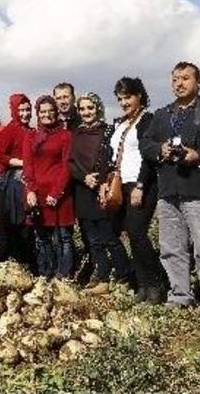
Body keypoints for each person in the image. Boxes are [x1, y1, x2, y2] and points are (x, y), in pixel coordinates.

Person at [140, 61, 200, 310]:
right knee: (171, 248)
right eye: (175, 79)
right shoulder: (162, 115)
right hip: (168, 190)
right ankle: (179, 296)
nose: (179, 83)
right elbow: (146, 144)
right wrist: (159, 150)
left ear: (198, 82)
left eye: (185, 78)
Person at [69, 93, 132, 295]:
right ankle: (103, 277)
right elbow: (69, 163)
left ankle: (125, 275)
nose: (86, 112)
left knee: (109, 237)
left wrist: (102, 179)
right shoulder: (75, 134)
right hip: (82, 190)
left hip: (101, 190)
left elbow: (113, 159)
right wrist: (83, 177)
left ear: (98, 108)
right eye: (82, 109)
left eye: (90, 107)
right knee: (93, 240)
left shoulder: (107, 132)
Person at [110, 77, 165, 304]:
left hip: (141, 184)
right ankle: (142, 286)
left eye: (128, 97)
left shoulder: (148, 120)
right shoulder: (120, 123)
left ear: (139, 96)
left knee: (137, 231)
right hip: (120, 183)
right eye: (120, 98)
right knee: (128, 234)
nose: (124, 102)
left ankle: (156, 283)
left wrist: (141, 185)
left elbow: (149, 156)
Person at [22, 96, 74, 278]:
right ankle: (45, 274)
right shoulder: (31, 136)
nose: (47, 115)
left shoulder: (65, 135)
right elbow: (28, 165)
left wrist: (56, 192)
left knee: (63, 238)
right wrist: (31, 190)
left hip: (60, 194)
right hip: (37, 194)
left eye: (50, 111)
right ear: (38, 114)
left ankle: (64, 275)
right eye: (42, 111)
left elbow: (67, 166)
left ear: (56, 112)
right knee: (42, 238)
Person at [0, 93, 33, 257]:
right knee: (16, 221)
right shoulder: (10, 130)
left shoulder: (31, 130)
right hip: (14, 182)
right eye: (21, 110)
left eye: (28, 110)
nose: (25, 114)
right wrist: (22, 162)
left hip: (29, 180)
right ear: (14, 110)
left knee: (29, 222)